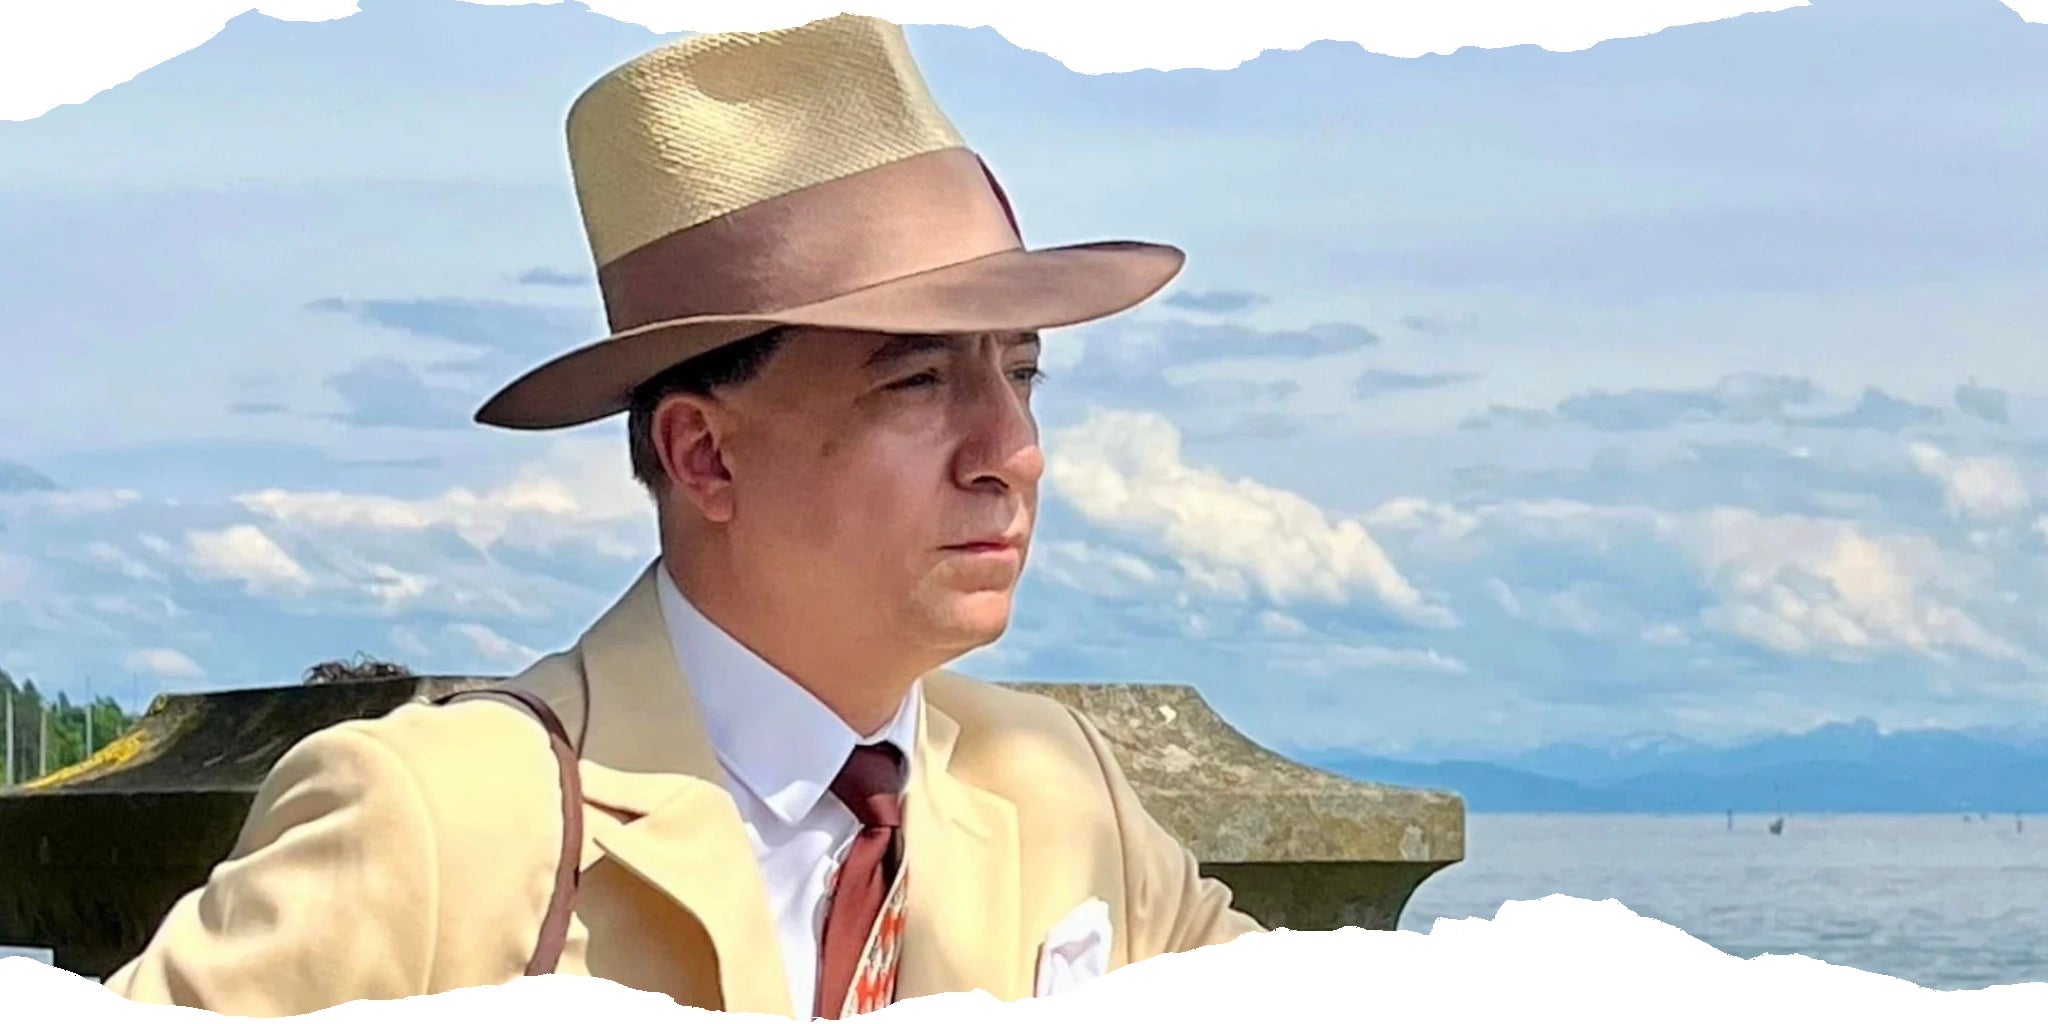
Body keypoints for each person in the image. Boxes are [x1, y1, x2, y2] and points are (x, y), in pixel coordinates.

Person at [104, 13, 1263, 1019]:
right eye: (914, 381)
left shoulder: (1059, 793)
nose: (1010, 449)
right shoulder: (435, 823)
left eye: (1021, 374)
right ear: (701, 454)